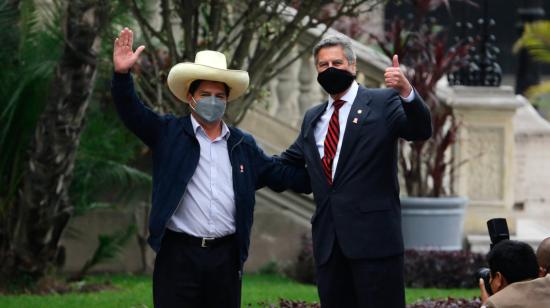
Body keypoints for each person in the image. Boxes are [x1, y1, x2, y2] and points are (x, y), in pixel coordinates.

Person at [111, 27, 310, 308]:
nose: (213, 101)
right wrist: (121, 76)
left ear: (227, 100)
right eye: (205, 94)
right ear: (190, 97)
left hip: (225, 258)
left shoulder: (243, 146)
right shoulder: (168, 133)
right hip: (178, 255)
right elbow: (132, 112)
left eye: (219, 95)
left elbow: (280, 174)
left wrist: (325, 173)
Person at [280, 35, 432, 307]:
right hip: (330, 246)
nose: (330, 69)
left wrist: (407, 91)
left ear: (352, 66)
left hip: (375, 245)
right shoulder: (313, 118)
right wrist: (246, 162)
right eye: (323, 65)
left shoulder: (383, 102)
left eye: (336, 62)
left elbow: (419, 130)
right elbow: (288, 164)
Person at [479, 239, 550, 308]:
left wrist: (486, 304)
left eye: (491, 277)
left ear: (498, 279)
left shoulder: (495, 303)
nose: (489, 281)